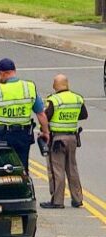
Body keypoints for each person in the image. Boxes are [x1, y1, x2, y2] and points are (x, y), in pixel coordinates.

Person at [0, 58, 48, 166]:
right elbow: (41, 113)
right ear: (14, 71)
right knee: (22, 168)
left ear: (1, 74)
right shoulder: (28, 87)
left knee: (2, 167)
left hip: (2, 135)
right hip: (23, 136)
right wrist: (45, 132)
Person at [41, 74, 88, 209]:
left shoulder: (54, 100)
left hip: (57, 139)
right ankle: (77, 199)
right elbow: (84, 115)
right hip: (72, 138)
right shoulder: (77, 98)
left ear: (56, 85)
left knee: (57, 170)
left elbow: (46, 117)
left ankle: (57, 201)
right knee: (72, 168)